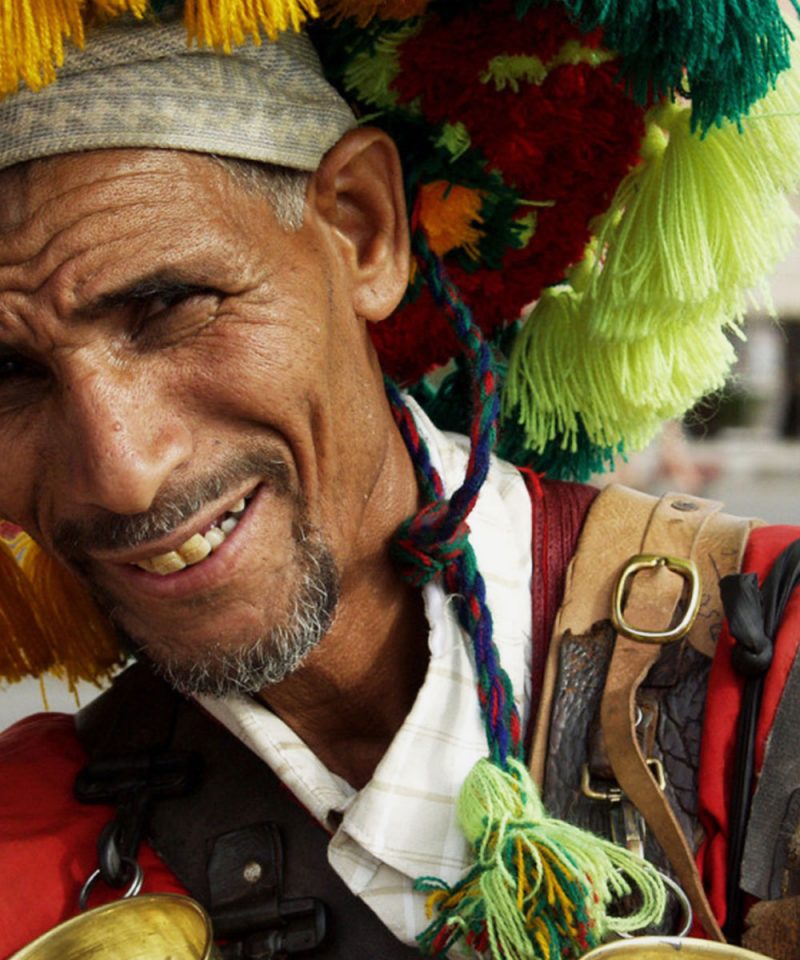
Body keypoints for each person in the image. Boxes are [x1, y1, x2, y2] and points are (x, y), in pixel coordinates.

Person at [0, 2, 799, 958]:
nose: (122, 474)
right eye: (9, 376)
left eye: (171, 305)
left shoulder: (773, 670)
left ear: (363, 230)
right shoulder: (30, 846)